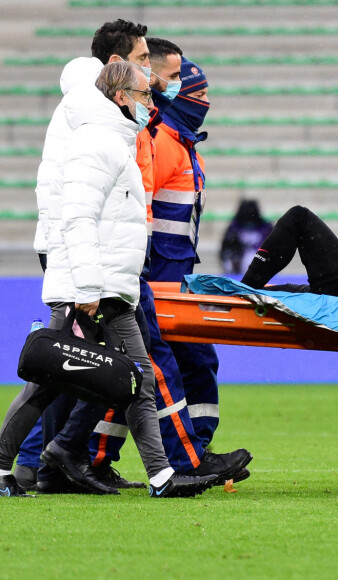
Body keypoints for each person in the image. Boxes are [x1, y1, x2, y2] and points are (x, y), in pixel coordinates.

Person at [0, 62, 217, 498]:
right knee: (49, 384)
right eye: (144, 96)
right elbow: (78, 219)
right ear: (121, 97)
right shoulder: (98, 143)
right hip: (92, 290)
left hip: (110, 288)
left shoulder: (113, 140)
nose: (151, 106)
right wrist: (86, 290)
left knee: (137, 378)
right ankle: (6, 465)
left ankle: (161, 476)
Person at [89, 40, 253, 486]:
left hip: (169, 274)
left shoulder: (178, 144)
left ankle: (92, 453)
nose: (202, 101)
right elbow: (136, 207)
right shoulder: (161, 144)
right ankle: (181, 455)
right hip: (153, 276)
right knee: (159, 366)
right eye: (194, 92)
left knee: (158, 366)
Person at [16, 19, 154, 494]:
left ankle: (52, 462)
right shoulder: (90, 116)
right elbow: (75, 205)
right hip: (80, 257)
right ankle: (44, 461)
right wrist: (85, 280)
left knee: (76, 366)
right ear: (116, 68)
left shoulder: (90, 111)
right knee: (63, 367)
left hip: (88, 256)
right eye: (142, 60)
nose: (149, 72)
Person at [220, 199, 273, 275]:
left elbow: (274, 248)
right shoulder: (234, 227)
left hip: (261, 263)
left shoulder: (265, 227)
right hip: (237, 264)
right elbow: (225, 249)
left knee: (251, 257)